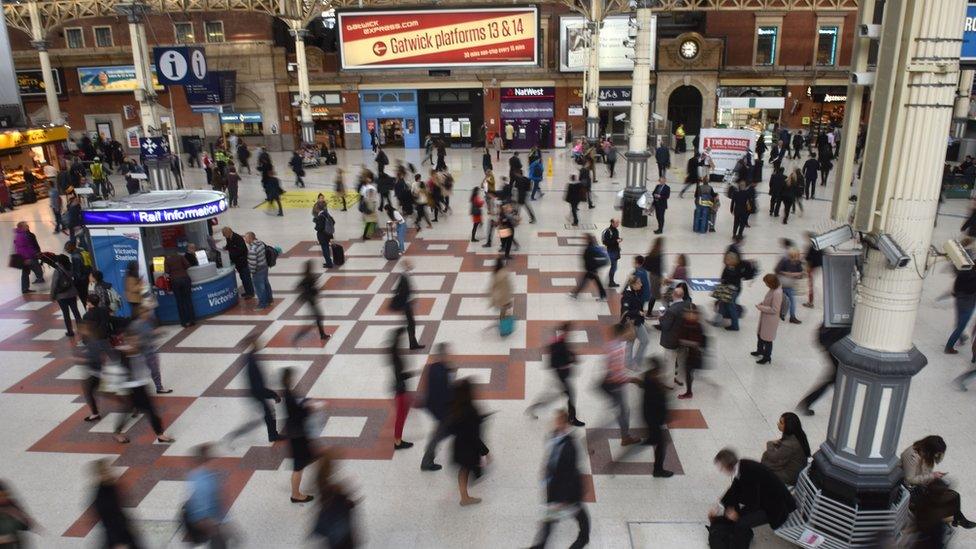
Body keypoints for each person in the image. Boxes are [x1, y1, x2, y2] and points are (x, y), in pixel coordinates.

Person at [527, 410, 590, 549]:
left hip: (566, 490)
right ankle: (540, 545)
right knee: (550, 519)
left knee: (578, 514)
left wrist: (562, 498)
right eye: (556, 420)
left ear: (567, 424)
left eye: (560, 421)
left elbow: (569, 474)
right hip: (555, 487)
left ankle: (583, 538)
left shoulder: (570, 447)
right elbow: (551, 457)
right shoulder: (553, 436)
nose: (556, 423)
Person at [711, 448, 796, 548]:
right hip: (766, 497)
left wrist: (737, 515)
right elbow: (735, 488)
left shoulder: (749, 475)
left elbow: (753, 504)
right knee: (732, 503)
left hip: (777, 508)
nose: (721, 471)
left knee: (741, 523)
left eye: (721, 468)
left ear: (728, 466)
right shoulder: (742, 465)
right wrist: (720, 505)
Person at [900, 436, 976, 529]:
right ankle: (955, 519)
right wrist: (932, 476)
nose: (936, 456)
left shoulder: (926, 456)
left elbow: (924, 474)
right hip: (910, 490)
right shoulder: (911, 456)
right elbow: (910, 479)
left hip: (921, 486)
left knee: (954, 495)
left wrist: (933, 476)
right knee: (941, 498)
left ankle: (957, 518)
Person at [113, 333, 175, 444]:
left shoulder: (139, 350)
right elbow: (118, 372)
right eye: (132, 341)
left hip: (141, 385)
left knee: (137, 409)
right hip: (131, 388)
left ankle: (159, 434)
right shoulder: (123, 354)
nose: (135, 343)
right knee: (147, 410)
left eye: (136, 341)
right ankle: (160, 435)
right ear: (127, 342)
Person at [526, 322, 585, 426]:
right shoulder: (559, 343)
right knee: (568, 395)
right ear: (565, 331)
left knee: (556, 396)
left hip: (562, 375)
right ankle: (572, 418)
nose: (571, 333)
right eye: (570, 331)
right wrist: (570, 361)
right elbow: (553, 362)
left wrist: (572, 356)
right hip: (561, 376)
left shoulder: (562, 340)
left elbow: (565, 351)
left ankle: (534, 408)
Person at [449, 379, 489, 506]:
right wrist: (485, 451)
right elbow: (473, 435)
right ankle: (464, 498)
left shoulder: (456, 406)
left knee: (464, 470)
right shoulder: (470, 410)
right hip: (468, 448)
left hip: (459, 445)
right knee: (467, 469)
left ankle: (464, 496)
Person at [279, 367, 316, 503]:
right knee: (298, 466)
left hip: (296, 433)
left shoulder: (287, 392)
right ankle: (295, 495)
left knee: (309, 457)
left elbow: (295, 409)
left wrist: (305, 403)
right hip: (297, 435)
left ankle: (317, 478)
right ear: (289, 379)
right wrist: (309, 409)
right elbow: (298, 415)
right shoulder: (289, 396)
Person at [797, 324, 851, 415]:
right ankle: (807, 402)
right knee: (836, 378)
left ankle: (807, 402)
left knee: (837, 378)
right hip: (835, 344)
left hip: (831, 342)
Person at [602, 323, 640, 446]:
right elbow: (617, 374)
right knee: (624, 411)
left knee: (621, 410)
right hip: (615, 385)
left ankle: (625, 435)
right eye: (630, 331)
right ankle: (625, 437)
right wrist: (632, 380)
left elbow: (610, 367)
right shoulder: (618, 349)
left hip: (610, 382)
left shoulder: (613, 344)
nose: (633, 333)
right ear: (623, 333)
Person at [311, 451, 359, 548]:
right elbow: (345, 508)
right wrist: (350, 502)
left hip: (333, 540)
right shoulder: (337, 492)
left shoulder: (324, 493)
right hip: (343, 539)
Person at [91, 459, 141, 549]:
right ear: (99, 476)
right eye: (105, 472)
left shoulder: (111, 486)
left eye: (109, 470)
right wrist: (117, 542)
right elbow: (109, 523)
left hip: (124, 530)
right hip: (117, 537)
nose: (109, 473)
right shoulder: (101, 499)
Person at [421, 343, 455, 471]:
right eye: (447, 353)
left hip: (434, 407)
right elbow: (444, 393)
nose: (450, 355)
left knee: (440, 433)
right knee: (440, 434)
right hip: (442, 409)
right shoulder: (442, 372)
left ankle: (427, 459)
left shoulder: (432, 367)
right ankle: (427, 461)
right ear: (442, 355)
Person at [760, 412, 811, 486]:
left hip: (790, 476)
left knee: (763, 467)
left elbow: (773, 457)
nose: (778, 424)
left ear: (788, 426)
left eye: (781, 423)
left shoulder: (789, 445)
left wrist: (769, 444)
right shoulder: (798, 435)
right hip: (796, 470)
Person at [388, 327, 416, 451]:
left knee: (402, 415)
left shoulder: (394, 353)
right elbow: (400, 375)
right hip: (400, 390)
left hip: (399, 388)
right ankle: (397, 442)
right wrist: (412, 373)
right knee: (401, 416)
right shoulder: (396, 357)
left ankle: (398, 440)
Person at [390, 259, 424, 350]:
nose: (411, 265)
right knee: (411, 324)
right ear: (405, 266)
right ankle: (413, 344)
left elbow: (398, 289)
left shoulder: (406, 275)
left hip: (407, 304)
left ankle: (413, 343)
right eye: (409, 264)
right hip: (406, 305)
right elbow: (398, 290)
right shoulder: (403, 276)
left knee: (411, 324)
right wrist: (404, 300)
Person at [675, 304, 705, 399]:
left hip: (694, 355)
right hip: (685, 353)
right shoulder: (684, 323)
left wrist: (685, 342)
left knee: (688, 371)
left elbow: (699, 342)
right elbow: (679, 336)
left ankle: (689, 392)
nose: (691, 315)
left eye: (693, 313)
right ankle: (689, 390)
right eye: (689, 313)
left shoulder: (698, 326)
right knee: (687, 371)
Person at [945, 263, 976, 354]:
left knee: (959, 320)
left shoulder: (964, 271)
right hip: (969, 303)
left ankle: (962, 338)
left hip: (959, 299)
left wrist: (956, 293)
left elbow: (956, 283)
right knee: (961, 326)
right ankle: (949, 347)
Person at [753, 274, 783, 364]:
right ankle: (760, 350)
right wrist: (762, 303)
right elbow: (768, 301)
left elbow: (775, 309)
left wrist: (761, 308)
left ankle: (767, 357)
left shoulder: (777, 293)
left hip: (770, 320)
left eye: (766, 283)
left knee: (768, 339)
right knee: (760, 335)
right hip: (766, 317)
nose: (766, 285)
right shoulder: (772, 289)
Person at [620, 276, 649, 371]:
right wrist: (637, 312)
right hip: (631, 323)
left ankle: (636, 360)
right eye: (639, 283)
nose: (641, 284)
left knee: (645, 340)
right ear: (633, 285)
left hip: (638, 322)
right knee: (630, 343)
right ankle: (628, 363)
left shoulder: (636, 292)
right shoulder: (627, 296)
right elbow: (625, 311)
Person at [51, 255, 82, 337]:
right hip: (72, 293)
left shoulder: (58, 270)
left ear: (60, 262)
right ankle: (82, 329)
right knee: (76, 312)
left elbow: (54, 284)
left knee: (66, 313)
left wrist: (52, 295)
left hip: (61, 296)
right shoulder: (71, 267)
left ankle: (70, 331)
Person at [570, 234, 608, 300]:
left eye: (584, 238)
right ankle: (603, 296)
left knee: (585, 282)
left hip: (591, 270)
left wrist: (593, 269)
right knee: (591, 282)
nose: (583, 240)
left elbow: (591, 260)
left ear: (588, 239)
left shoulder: (590, 249)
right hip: (592, 269)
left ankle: (575, 294)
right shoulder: (591, 247)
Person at [164, 251, 195, 327]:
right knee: (188, 300)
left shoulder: (167, 260)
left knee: (179, 302)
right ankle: (192, 320)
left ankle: (184, 322)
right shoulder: (181, 257)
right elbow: (188, 265)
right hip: (185, 278)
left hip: (175, 281)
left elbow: (166, 272)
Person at [222, 227, 254, 299]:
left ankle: (250, 293)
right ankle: (247, 291)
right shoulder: (229, 238)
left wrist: (231, 253)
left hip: (242, 262)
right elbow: (229, 246)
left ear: (228, 232)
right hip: (237, 262)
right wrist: (226, 248)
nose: (224, 236)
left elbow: (241, 250)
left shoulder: (238, 238)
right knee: (243, 278)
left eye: (224, 234)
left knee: (246, 278)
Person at [775, 248, 805, 324]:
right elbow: (777, 270)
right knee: (783, 300)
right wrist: (786, 274)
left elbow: (801, 274)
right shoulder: (784, 261)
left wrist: (794, 274)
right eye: (792, 256)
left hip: (790, 285)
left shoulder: (798, 262)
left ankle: (791, 316)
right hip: (781, 284)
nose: (793, 259)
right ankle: (783, 314)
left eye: (795, 256)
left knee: (791, 301)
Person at [245, 232, 274, 310]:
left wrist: (252, 271)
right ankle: (270, 300)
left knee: (259, 288)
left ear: (250, 239)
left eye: (246, 238)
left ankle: (262, 304)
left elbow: (253, 263)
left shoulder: (252, 249)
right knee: (266, 284)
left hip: (257, 270)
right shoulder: (260, 244)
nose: (245, 239)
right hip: (264, 266)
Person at [12, 222, 43, 294]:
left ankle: (25, 288)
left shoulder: (22, 234)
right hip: (27, 257)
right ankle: (39, 279)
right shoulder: (21, 236)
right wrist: (26, 258)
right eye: (25, 226)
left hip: (27, 257)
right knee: (36, 268)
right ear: (21, 227)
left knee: (25, 272)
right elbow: (22, 249)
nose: (27, 226)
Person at [489, 257, 514, 322]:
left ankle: (503, 324)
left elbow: (493, 287)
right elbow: (509, 285)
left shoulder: (495, 274)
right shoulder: (505, 272)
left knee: (503, 311)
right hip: (505, 296)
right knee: (505, 311)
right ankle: (504, 327)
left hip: (500, 297)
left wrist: (493, 300)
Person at [314, 205, 336, 269]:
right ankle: (329, 261)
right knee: (326, 248)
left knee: (325, 249)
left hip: (322, 235)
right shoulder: (326, 214)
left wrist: (316, 225)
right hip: (328, 234)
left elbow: (318, 228)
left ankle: (329, 264)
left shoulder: (320, 216)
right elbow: (333, 222)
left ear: (318, 209)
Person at [602, 219, 622, 288]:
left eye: (618, 222)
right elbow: (606, 242)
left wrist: (618, 240)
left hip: (615, 250)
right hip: (611, 251)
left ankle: (611, 280)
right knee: (614, 267)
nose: (618, 224)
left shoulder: (615, 230)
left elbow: (615, 238)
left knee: (614, 267)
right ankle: (611, 282)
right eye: (616, 222)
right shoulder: (608, 231)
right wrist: (616, 241)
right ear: (612, 223)